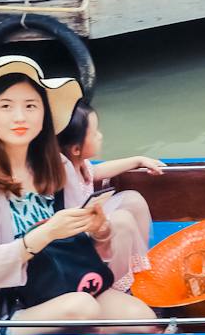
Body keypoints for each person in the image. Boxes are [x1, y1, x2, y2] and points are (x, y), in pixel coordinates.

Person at [0, 56, 156, 332]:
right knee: (83, 310)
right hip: (2, 307)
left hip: (62, 283)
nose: (20, 117)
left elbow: (84, 250)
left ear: (44, 114)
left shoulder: (60, 166)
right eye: (6, 106)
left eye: (31, 106)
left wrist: (100, 232)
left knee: (144, 321)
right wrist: (46, 233)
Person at [56, 98, 159, 291]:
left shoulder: (81, 165)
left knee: (133, 200)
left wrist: (138, 160)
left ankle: (137, 265)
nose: (100, 136)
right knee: (122, 221)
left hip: (91, 223)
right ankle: (117, 285)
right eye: (94, 134)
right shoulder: (64, 169)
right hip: (76, 237)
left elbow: (99, 171)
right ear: (75, 149)